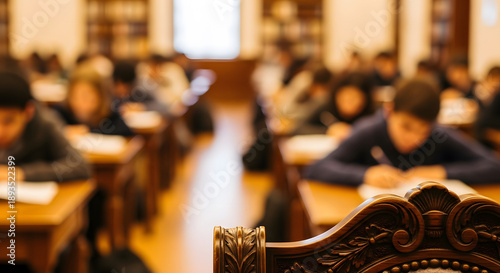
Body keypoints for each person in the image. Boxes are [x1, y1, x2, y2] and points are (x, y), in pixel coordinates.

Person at [304, 78, 500, 187]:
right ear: (389, 111)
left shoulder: (438, 134)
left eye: (422, 130)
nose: (413, 138)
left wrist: (443, 172)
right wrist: (365, 175)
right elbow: (315, 169)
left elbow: (494, 166)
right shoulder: (369, 130)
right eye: (406, 127)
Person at [0, 71, 91, 182]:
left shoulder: (46, 124)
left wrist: (19, 173)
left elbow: (80, 166)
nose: (1, 131)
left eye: (8, 121)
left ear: (28, 112)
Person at [55, 64, 134, 138]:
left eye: (86, 96)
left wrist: (89, 132)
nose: (80, 101)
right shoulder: (61, 114)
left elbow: (128, 136)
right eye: (75, 96)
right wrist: (63, 132)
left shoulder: (110, 117)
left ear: (100, 96)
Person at [295, 72, 374, 141]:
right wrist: (328, 131)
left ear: (365, 100)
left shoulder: (371, 114)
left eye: (354, 98)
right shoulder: (325, 105)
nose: (348, 103)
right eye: (344, 97)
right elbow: (297, 128)